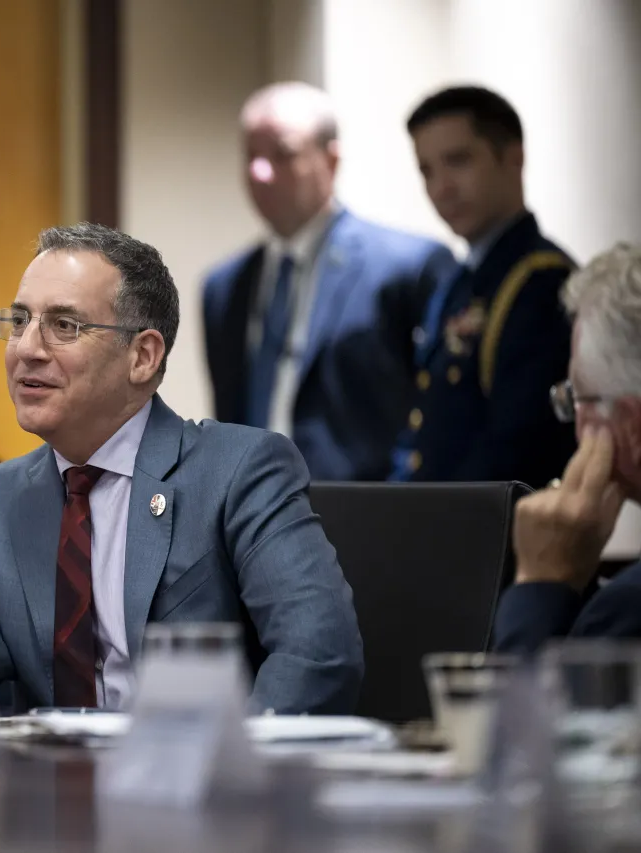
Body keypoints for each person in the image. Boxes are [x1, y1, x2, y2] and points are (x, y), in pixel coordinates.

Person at [0, 223, 364, 715]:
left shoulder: (238, 470)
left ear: (143, 355)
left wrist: (232, 776)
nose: (27, 349)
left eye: (64, 326)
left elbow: (317, 650)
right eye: (19, 322)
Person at [203, 81, 457, 482]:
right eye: (250, 155)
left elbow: (440, 416)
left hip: (369, 519)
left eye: (282, 154)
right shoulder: (223, 287)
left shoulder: (407, 267)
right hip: (251, 522)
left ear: (331, 161)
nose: (259, 172)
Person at [389, 85, 577, 486]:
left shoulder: (541, 282)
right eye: (427, 170)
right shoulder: (461, 280)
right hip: (443, 529)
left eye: (458, 161)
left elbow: (519, 448)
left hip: (495, 534)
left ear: (514, 158)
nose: (441, 187)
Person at [492, 244, 641, 652]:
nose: (572, 419)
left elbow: (518, 717)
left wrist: (542, 582)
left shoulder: (627, 612)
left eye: (578, 397)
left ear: (633, 428)